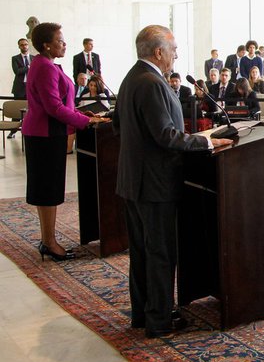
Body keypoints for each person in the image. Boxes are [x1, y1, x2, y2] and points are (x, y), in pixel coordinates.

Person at [113, 25, 231, 339]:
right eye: (174, 48)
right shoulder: (151, 82)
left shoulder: (131, 78)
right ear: (158, 51)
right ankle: (160, 320)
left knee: (142, 252)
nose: (176, 54)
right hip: (153, 184)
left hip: (134, 180)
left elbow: (119, 125)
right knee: (161, 252)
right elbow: (165, 135)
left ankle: (144, 313)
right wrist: (205, 143)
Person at [23, 23, 108, 262]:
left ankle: (47, 238)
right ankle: (49, 242)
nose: (64, 43)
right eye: (60, 40)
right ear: (46, 45)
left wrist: (84, 114)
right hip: (45, 134)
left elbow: (61, 103)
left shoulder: (45, 64)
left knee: (46, 188)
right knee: (47, 190)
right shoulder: (45, 67)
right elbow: (53, 107)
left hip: (47, 133)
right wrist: (84, 121)